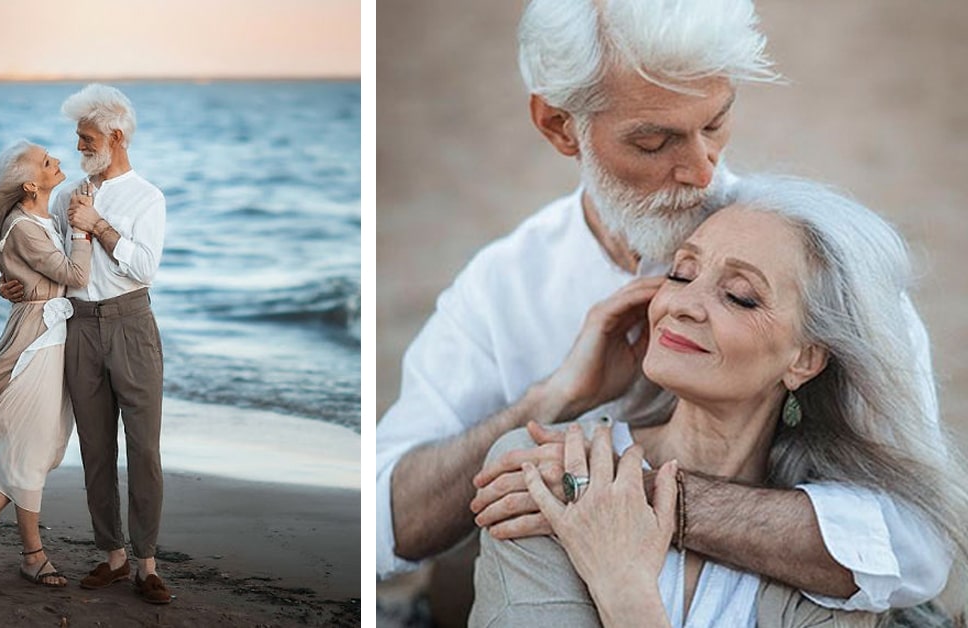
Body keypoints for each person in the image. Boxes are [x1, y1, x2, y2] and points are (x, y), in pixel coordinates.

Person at [376, 0, 949, 612]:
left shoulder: (822, 269)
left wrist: (633, 497)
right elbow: (385, 524)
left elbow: (917, 546)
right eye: (655, 140)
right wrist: (550, 401)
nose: (703, 171)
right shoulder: (503, 288)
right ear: (559, 126)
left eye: (716, 123)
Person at [470, 176, 968, 626]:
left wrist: (626, 594)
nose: (682, 304)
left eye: (740, 296)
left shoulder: (837, 549)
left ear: (805, 360)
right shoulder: (547, 468)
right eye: (682, 274)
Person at [0, 84, 170, 604]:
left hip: (132, 325)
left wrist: (99, 226)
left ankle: (146, 563)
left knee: (144, 449)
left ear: (115, 137)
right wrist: (13, 285)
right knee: (95, 447)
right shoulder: (71, 192)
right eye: (76, 139)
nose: (78, 148)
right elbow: (50, 261)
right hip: (78, 325)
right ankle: (113, 557)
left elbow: (145, 267)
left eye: (86, 138)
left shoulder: (148, 196)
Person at [0, 141, 91, 587]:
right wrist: (84, 232)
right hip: (36, 343)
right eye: (48, 163)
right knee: (30, 447)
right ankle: (33, 555)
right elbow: (76, 276)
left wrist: (15, 284)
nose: (58, 162)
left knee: (34, 447)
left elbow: (28, 276)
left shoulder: (44, 216)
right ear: (31, 184)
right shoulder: (24, 226)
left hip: (50, 336)